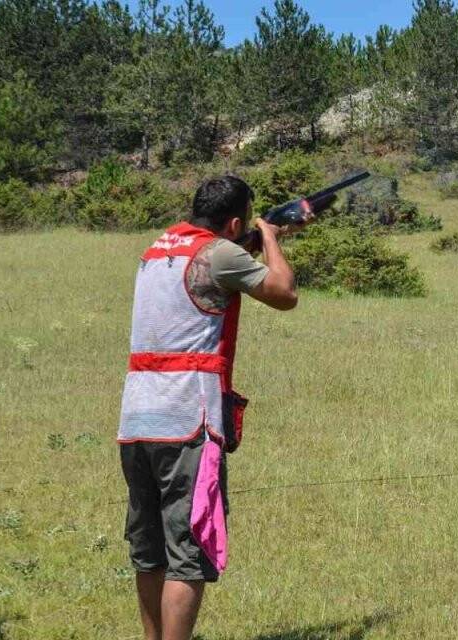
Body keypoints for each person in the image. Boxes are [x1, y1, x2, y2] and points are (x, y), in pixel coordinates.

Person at [117, 176, 323, 640]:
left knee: (150, 551)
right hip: (187, 417)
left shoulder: (158, 249)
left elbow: (210, 266)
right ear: (234, 223)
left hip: (137, 416)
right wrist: (269, 235)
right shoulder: (223, 253)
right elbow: (285, 293)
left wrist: (257, 238)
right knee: (189, 552)